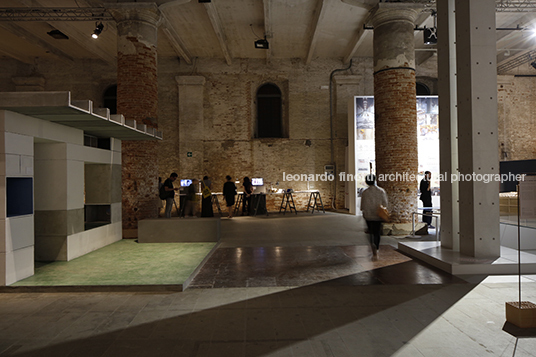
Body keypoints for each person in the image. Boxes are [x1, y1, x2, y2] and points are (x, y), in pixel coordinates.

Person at [360, 174, 388, 259]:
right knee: (377, 232)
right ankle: (377, 247)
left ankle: (372, 246)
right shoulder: (381, 191)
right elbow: (385, 203)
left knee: (371, 232)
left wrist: (364, 212)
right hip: (377, 215)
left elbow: (362, 205)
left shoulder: (365, 192)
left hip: (368, 216)